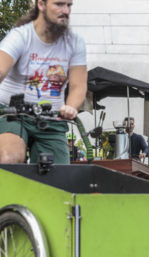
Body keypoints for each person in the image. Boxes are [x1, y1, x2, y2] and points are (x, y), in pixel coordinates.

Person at [0, 0, 87, 165]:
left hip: (51, 119)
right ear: (41, 5)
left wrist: (71, 107)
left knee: (59, 178)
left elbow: (78, 86)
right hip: (12, 114)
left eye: (69, 6)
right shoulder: (20, 36)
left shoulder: (75, 43)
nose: (66, 11)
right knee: (9, 158)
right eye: (59, 4)